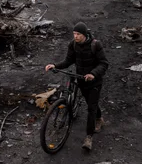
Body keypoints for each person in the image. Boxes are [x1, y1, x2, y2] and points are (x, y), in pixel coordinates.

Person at [45, 22, 109, 151]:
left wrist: (93, 73)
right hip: (81, 79)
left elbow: (104, 63)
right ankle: (99, 118)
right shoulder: (73, 44)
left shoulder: (95, 45)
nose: (75, 36)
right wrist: (55, 65)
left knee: (91, 108)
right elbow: (68, 61)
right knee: (91, 103)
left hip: (94, 82)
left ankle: (88, 138)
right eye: (74, 34)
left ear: (84, 34)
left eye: (78, 34)